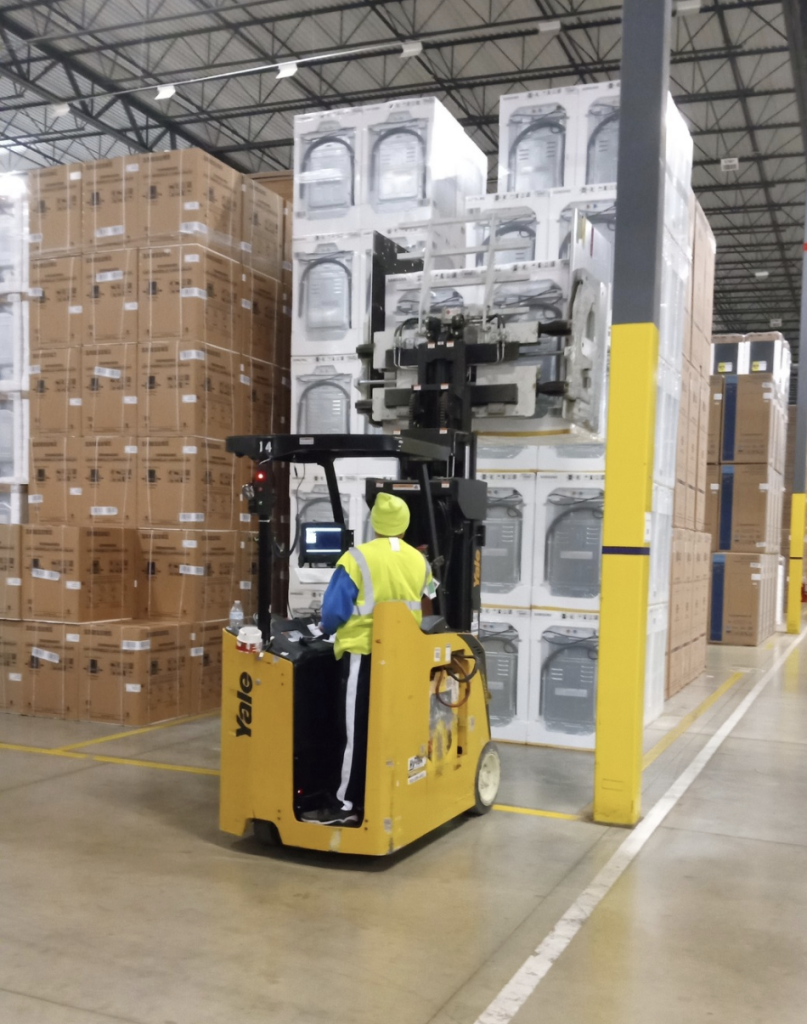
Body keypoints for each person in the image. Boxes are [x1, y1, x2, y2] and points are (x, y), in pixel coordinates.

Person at [301, 492, 437, 826]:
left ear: (374, 523)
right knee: (392, 728)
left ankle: (344, 804)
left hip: (363, 654)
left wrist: (323, 628)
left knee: (354, 730)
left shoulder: (357, 558)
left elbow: (333, 613)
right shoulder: (420, 562)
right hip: (404, 656)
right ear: (404, 526)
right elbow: (429, 601)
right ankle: (389, 793)